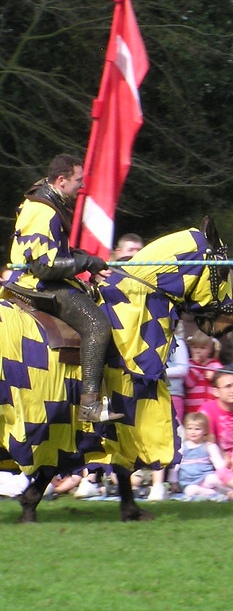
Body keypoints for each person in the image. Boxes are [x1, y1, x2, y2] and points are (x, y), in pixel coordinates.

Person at [5, 155, 117, 422]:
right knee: (97, 325)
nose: (82, 186)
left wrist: (88, 261)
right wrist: (88, 261)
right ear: (61, 180)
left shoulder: (47, 200)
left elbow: (57, 251)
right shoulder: (43, 211)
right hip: (38, 285)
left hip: (43, 278)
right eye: (78, 180)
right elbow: (45, 267)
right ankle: (89, 406)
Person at [198, 371, 233, 458]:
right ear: (216, 392)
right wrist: (224, 457)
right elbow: (208, 441)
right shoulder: (207, 410)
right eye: (228, 386)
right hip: (219, 461)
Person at [177, 412, 227, 500]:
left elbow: (219, 463)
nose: (193, 432)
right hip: (188, 481)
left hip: (205, 478)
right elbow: (176, 465)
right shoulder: (182, 447)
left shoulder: (209, 446)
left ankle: (228, 491)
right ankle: (211, 493)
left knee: (213, 479)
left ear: (205, 431)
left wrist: (222, 472)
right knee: (190, 491)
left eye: (197, 429)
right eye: (190, 428)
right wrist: (173, 481)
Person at [184, 333, 223, 414]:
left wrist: (214, 377)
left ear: (210, 350)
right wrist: (196, 364)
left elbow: (223, 382)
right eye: (195, 347)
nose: (198, 351)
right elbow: (189, 383)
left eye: (203, 348)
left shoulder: (215, 364)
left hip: (212, 409)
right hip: (193, 409)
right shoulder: (188, 364)